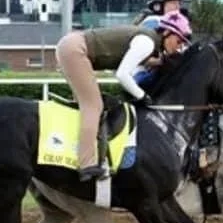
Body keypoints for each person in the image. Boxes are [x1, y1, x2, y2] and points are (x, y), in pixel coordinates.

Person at [55, 11, 193, 182]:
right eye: (178, 41)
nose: (179, 47)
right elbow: (122, 75)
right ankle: (86, 165)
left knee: (85, 107)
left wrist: (159, 62)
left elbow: (134, 60)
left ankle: (69, 155)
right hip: (75, 50)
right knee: (94, 106)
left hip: (72, 47)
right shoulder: (147, 42)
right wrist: (142, 96)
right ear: (166, 32)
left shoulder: (149, 41)